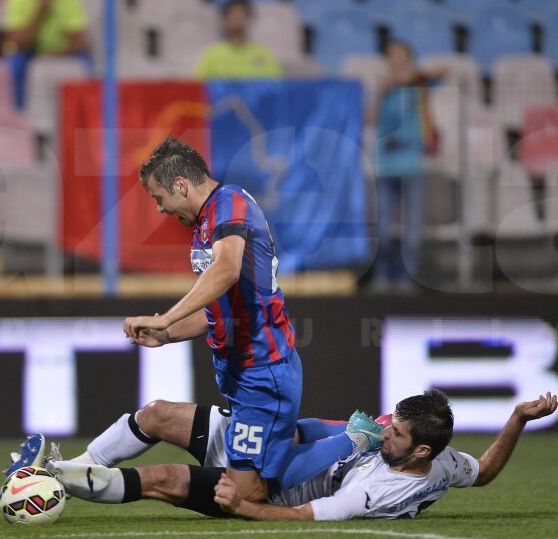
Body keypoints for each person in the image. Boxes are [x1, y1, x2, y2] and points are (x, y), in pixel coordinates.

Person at [119, 136, 381, 504]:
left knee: (244, 494)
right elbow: (217, 310)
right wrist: (168, 333)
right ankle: (359, 431)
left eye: (159, 197)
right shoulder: (210, 219)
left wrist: (166, 319)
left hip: (263, 366)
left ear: (180, 184)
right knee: (279, 442)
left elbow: (225, 271)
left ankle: (356, 440)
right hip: (247, 370)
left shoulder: (228, 205)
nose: (160, 209)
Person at [47, 389, 558, 521]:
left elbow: (299, 515)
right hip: (281, 449)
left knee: (159, 479)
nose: (386, 431)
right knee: (157, 413)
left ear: (419, 449)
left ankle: (51, 480)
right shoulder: (444, 460)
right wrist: (517, 418)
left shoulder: (378, 492)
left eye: (396, 432)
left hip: (271, 485)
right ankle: (75, 463)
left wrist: (242, 506)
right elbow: (487, 471)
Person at [367, 39, 444, 293]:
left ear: (409, 57)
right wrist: (382, 93)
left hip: (411, 165)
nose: (396, 59)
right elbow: (369, 118)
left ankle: (407, 278)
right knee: (383, 227)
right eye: (391, 55)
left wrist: (409, 78)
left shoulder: (418, 83)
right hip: (386, 166)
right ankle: (382, 275)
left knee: (412, 227)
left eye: (400, 54)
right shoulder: (382, 88)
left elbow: (446, 71)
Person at [2, 0, 91, 110]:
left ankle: (82, 113)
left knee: (86, 65)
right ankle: (18, 113)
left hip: (62, 51)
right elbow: (17, 42)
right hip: (29, 51)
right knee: (14, 65)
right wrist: (40, 12)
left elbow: (79, 42)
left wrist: (51, 54)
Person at [193, 0, 282, 80]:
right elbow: (198, 87)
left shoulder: (264, 53)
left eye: (242, 14)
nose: (237, 18)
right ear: (225, 19)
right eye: (232, 14)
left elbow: (276, 86)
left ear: (250, 19)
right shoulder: (212, 54)